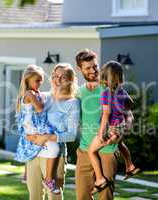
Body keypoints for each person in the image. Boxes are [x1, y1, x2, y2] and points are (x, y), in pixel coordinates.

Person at [75, 49, 137, 200]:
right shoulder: (79, 92)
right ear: (79, 69)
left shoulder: (110, 87)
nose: (93, 70)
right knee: (82, 195)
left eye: (95, 66)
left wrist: (125, 127)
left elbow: (129, 113)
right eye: (88, 68)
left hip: (108, 151)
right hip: (85, 150)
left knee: (105, 197)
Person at [25, 63, 80, 200]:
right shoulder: (43, 97)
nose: (58, 80)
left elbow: (72, 135)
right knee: (34, 195)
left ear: (70, 80)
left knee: (54, 195)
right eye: (55, 76)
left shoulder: (73, 103)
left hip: (55, 156)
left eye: (63, 77)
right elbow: (27, 116)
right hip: (34, 152)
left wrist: (48, 137)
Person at [88, 61, 139, 195]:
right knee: (121, 144)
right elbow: (130, 104)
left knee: (91, 151)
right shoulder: (122, 92)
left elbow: (106, 115)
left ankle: (99, 179)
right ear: (120, 77)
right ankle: (130, 165)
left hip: (111, 129)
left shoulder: (106, 94)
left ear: (105, 77)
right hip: (120, 127)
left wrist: (101, 133)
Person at [15, 65, 61, 194]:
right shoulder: (29, 94)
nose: (40, 83)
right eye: (37, 80)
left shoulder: (35, 93)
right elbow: (40, 108)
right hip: (32, 128)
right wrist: (51, 100)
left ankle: (26, 174)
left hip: (34, 126)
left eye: (41, 80)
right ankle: (48, 178)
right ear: (28, 80)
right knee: (54, 148)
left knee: (30, 149)